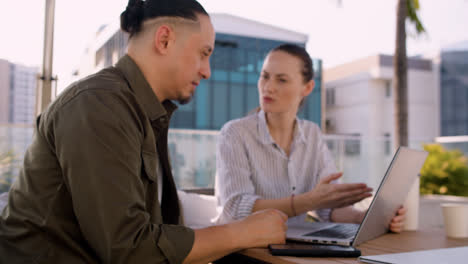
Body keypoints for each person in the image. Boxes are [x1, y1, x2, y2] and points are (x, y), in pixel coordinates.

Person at [0, 1, 288, 263]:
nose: (207, 71)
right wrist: (241, 233)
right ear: (164, 39)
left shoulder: (142, 112)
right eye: (204, 53)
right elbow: (128, 249)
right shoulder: (100, 105)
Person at [216, 44, 406, 232]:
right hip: (244, 250)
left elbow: (327, 207)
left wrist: (363, 218)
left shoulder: (312, 134)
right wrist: (308, 201)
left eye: (281, 80)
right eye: (265, 76)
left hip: (293, 248)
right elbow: (235, 209)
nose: (268, 87)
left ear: (307, 87)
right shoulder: (234, 134)